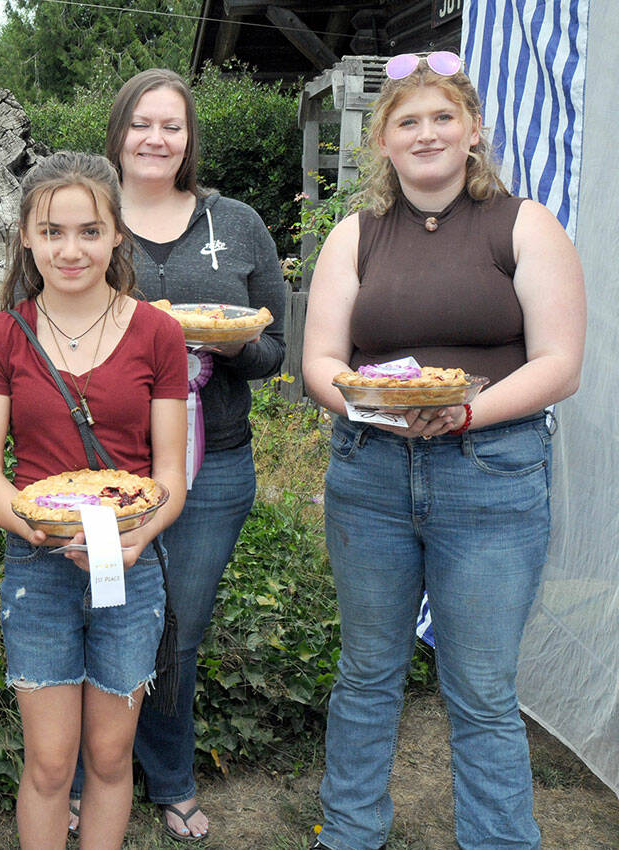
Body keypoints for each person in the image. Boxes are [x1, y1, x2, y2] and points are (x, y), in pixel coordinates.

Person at [302, 51, 585, 850]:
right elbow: (321, 359)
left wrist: (466, 415)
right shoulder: (353, 237)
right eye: (407, 121)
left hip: (492, 477)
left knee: (483, 689)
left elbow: (561, 362)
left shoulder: (525, 225)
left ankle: (498, 839)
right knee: (366, 673)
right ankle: (349, 833)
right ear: (383, 142)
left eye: (442, 117)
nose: (426, 133)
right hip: (372, 474)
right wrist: (375, 405)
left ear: (471, 133)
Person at [62, 68, 287, 842]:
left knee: (177, 630)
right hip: (99, 465)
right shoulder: (82, 218)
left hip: (213, 461)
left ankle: (170, 775)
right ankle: (86, 775)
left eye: (174, 126)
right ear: (119, 130)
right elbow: (44, 329)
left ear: (190, 140)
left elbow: (275, 352)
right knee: (97, 617)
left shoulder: (238, 223)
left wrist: (221, 345)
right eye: (142, 123)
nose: (157, 138)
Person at [0, 151, 189, 850]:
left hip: (130, 564)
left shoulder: (159, 333)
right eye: (52, 232)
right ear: (26, 239)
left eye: (90, 231)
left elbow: (171, 476)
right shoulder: (3, 335)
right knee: (51, 761)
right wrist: (31, 527)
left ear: (117, 234)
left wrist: (139, 537)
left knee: (109, 757)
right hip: (39, 570)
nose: (71, 249)